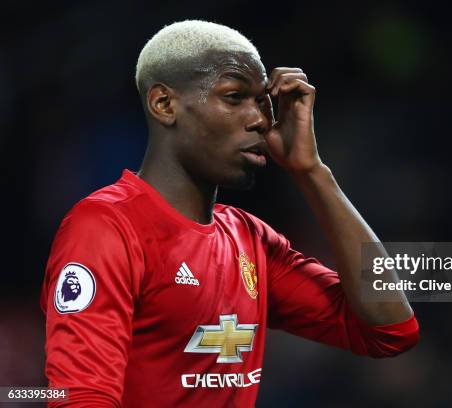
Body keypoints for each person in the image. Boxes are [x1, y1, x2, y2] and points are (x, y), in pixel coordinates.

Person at [41, 20, 419, 407]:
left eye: (262, 102)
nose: (259, 120)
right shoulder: (107, 228)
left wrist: (312, 172)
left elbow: (390, 328)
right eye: (235, 97)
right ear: (165, 104)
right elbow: (80, 398)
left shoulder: (250, 241)